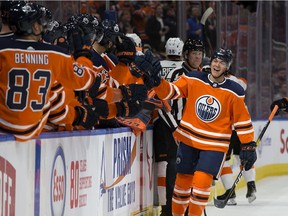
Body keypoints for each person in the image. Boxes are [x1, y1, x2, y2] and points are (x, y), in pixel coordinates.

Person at [149, 48, 257, 216]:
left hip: (215, 145)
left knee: (201, 183)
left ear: (227, 66)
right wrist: (158, 82)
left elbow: (242, 120)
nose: (217, 64)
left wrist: (248, 144)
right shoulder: (193, 78)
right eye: (215, 60)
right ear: (210, 61)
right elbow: (171, 92)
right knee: (181, 185)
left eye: (222, 62)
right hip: (189, 140)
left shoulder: (234, 90)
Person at [0, 2, 103, 141]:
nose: (43, 26)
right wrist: (83, 54)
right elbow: (87, 80)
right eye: (40, 22)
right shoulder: (55, 54)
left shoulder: (3, 50)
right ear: (34, 26)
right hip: (35, 130)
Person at [216, 69, 257, 205]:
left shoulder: (216, 82)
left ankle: (231, 193)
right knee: (243, 157)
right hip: (242, 127)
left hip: (226, 128)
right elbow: (244, 82)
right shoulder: (238, 81)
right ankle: (251, 186)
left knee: (224, 160)